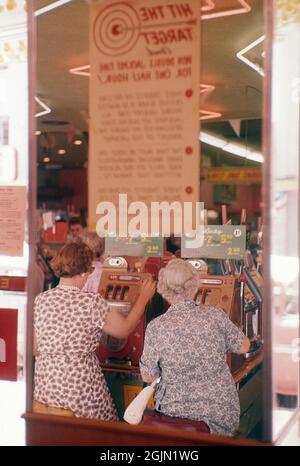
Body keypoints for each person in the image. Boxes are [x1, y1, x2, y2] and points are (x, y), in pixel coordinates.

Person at [33, 242, 156, 420]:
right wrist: (143, 298)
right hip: (79, 384)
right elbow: (124, 329)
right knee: (93, 431)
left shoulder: (41, 300)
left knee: (55, 430)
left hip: (46, 382)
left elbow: (35, 347)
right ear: (83, 271)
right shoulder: (91, 302)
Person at [139, 258, 250, 436]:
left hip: (172, 412)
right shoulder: (215, 316)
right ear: (194, 286)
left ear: (164, 290)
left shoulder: (156, 326)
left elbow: (147, 375)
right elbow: (244, 346)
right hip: (218, 413)